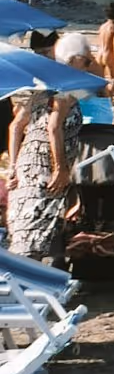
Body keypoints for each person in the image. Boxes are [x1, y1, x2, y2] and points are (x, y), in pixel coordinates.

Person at [7, 91, 69, 263]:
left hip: (26, 161)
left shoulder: (39, 95)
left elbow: (15, 127)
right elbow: (54, 127)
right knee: (41, 223)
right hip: (46, 164)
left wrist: (13, 165)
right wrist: (60, 168)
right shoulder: (66, 95)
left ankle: (18, 275)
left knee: (24, 222)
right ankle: (33, 275)